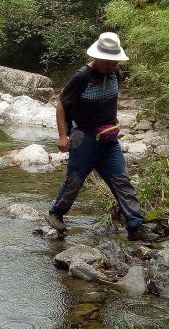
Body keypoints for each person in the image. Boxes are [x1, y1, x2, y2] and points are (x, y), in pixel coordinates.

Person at [47, 32, 151, 241]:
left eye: (115, 61)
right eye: (108, 60)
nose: (112, 64)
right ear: (97, 56)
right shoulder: (81, 77)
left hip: (108, 139)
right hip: (83, 137)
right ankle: (56, 212)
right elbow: (62, 104)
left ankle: (135, 226)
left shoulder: (114, 74)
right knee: (75, 180)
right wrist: (62, 135)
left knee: (122, 181)